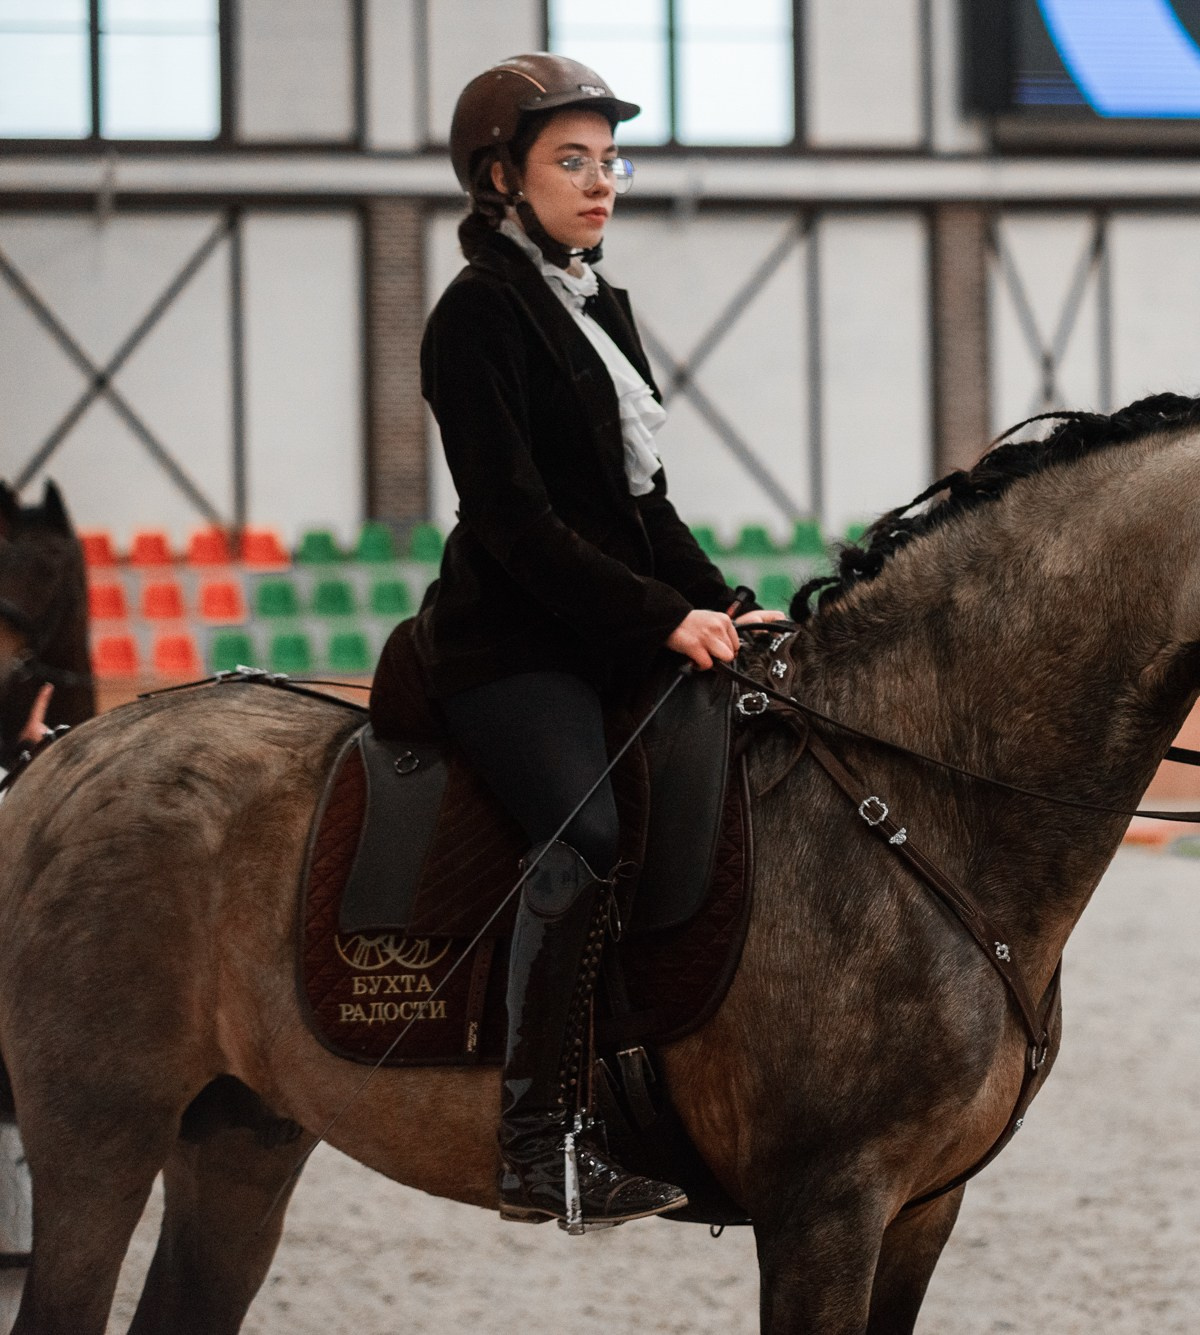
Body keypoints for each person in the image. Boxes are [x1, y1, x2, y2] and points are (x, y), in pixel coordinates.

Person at [417, 53, 783, 1228]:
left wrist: (720, 603)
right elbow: (514, 523)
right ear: (499, 178)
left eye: (608, 160)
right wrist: (657, 616)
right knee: (583, 837)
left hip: (611, 631)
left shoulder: (598, 308)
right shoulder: (472, 316)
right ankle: (538, 1141)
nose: (602, 182)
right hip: (512, 645)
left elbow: (644, 506)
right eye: (571, 161)